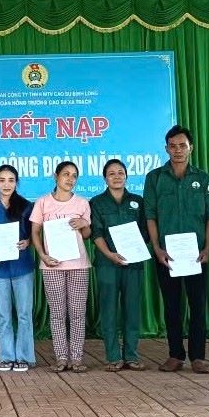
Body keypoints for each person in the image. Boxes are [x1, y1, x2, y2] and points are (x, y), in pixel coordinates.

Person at [144, 125, 209, 374]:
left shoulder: (203, 178)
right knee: (172, 305)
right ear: (166, 149)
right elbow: (150, 215)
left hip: (197, 253)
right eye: (173, 146)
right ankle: (175, 355)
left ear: (191, 148)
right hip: (167, 254)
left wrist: (207, 247)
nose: (177, 150)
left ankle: (198, 357)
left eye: (182, 146)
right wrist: (156, 247)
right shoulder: (154, 178)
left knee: (198, 305)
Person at [30, 161, 92, 373]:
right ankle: (61, 358)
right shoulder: (43, 203)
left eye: (74, 175)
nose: (70, 179)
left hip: (78, 265)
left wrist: (85, 225)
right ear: (55, 176)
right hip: (52, 265)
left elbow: (86, 235)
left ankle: (76, 358)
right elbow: (35, 232)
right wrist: (42, 255)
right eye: (65, 174)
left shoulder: (82, 203)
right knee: (57, 313)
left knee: (77, 312)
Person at [90, 159, 149, 372]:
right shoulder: (96, 203)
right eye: (111, 173)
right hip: (107, 264)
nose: (116, 176)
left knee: (132, 310)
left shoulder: (138, 201)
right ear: (105, 178)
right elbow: (95, 233)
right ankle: (113, 356)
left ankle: (131, 356)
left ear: (126, 176)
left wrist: (136, 249)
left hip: (133, 264)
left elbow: (146, 231)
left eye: (120, 172)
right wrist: (109, 254)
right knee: (108, 310)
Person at [0, 164, 35, 372]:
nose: (6, 184)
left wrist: (27, 241)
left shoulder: (27, 206)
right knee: (3, 315)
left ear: (16, 183)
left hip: (23, 267)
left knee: (24, 314)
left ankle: (24, 357)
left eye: (11, 180)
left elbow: (34, 233)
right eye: (2, 180)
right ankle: (7, 357)